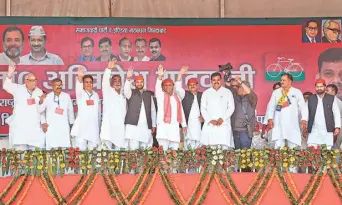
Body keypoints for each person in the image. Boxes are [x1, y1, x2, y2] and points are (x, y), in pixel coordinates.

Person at [3, 63, 45, 150]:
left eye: (35, 80)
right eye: (32, 80)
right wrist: (10, 74)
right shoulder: (18, 89)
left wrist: (41, 102)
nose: (34, 82)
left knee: (36, 156)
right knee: (20, 157)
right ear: (26, 81)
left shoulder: (39, 92)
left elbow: (41, 109)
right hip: (20, 128)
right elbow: (6, 86)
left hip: (34, 129)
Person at [266, 73, 308, 149]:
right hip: (279, 124)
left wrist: (304, 119)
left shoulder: (297, 92)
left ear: (290, 81)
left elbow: (303, 107)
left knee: (293, 148)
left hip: (292, 124)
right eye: (281, 80)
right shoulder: (276, 92)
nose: (281, 82)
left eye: (284, 80)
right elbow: (271, 106)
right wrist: (270, 118)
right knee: (279, 147)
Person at [155, 65, 186, 151]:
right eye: (165, 85)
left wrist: (184, 125)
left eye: (169, 85)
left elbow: (181, 111)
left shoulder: (177, 97)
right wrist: (160, 75)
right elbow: (157, 86)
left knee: (174, 153)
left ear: (173, 86)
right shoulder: (160, 95)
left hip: (174, 128)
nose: (167, 87)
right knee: (162, 153)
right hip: (163, 128)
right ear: (162, 87)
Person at [200, 72, 235, 150]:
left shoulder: (227, 92)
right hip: (210, 126)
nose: (216, 82)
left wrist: (222, 119)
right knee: (210, 150)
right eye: (214, 80)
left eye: (218, 80)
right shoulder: (206, 93)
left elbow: (231, 108)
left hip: (223, 125)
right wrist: (210, 120)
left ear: (221, 80)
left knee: (225, 150)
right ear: (211, 81)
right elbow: (203, 109)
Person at [124, 69, 157, 150]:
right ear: (134, 83)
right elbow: (125, 91)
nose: (139, 83)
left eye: (141, 82)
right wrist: (128, 78)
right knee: (133, 150)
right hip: (133, 127)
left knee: (145, 150)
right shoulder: (130, 93)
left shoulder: (149, 94)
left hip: (145, 127)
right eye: (137, 82)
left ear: (143, 82)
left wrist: (153, 125)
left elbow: (153, 111)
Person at [38, 78, 74, 149]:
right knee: (51, 149)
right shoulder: (48, 96)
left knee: (64, 149)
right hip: (52, 127)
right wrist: (41, 100)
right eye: (56, 85)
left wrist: (72, 124)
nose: (59, 87)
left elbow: (70, 111)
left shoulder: (66, 96)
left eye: (60, 85)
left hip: (64, 127)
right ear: (52, 86)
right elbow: (40, 110)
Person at [71, 67, 101, 150]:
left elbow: (98, 113)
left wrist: (98, 126)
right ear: (83, 84)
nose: (88, 84)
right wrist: (80, 78)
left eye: (90, 82)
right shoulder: (81, 94)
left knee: (94, 155)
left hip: (93, 129)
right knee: (80, 154)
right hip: (81, 129)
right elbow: (78, 87)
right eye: (86, 82)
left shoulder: (96, 95)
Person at [100, 60, 128, 150]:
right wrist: (108, 69)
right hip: (108, 127)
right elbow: (104, 83)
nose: (117, 82)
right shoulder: (108, 91)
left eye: (119, 81)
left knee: (119, 155)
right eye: (115, 80)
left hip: (120, 129)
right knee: (105, 154)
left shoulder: (123, 94)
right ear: (111, 82)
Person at [306, 79, 341, 150]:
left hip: (327, 130)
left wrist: (337, 127)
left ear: (325, 87)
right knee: (312, 152)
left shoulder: (331, 98)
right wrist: (304, 124)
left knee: (326, 152)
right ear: (315, 87)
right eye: (317, 87)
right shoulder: (310, 98)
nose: (319, 88)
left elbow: (336, 113)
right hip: (313, 130)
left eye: (321, 86)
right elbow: (305, 112)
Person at [175, 66, 203, 150]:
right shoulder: (184, 94)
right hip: (188, 125)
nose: (192, 86)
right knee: (188, 145)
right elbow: (177, 88)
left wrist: (204, 116)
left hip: (200, 125)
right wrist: (180, 74)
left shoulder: (203, 95)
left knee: (200, 145)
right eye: (190, 85)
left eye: (194, 85)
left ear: (198, 86)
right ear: (187, 86)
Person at [226, 76, 257, 149]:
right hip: (234, 131)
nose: (237, 88)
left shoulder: (252, 98)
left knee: (245, 155)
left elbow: (249, 92)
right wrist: (229, 77)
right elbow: (227, 84)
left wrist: (240, 82)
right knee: (236, 154)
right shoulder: (234, 96)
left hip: (245, 131)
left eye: (239, 87)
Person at [325, 84, 342, 149]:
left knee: (335, 147)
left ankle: (336, 159)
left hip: (336, 129)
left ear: (333, 92)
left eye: (327, 90)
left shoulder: (337, 103)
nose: (325, 92)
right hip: (331, 129)